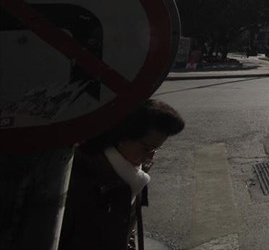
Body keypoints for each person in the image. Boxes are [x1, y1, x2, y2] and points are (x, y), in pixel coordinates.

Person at [59, 99, 186, 250]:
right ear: (122, 136)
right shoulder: (79, 181)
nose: (150, 157)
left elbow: (124, 231)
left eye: (155, 150)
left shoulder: (131, 173)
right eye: (146, 148)